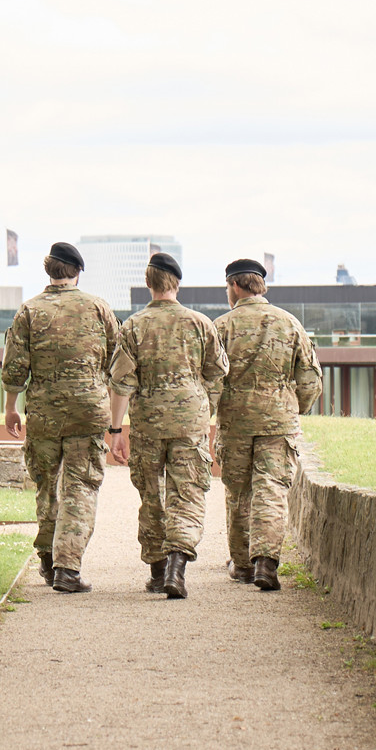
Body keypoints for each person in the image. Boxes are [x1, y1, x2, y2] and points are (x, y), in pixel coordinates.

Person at [108, 252, 227, 599]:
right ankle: (178, 565)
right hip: (190, 420)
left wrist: (116, 431)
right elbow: (217, 372)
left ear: (148, 284)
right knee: (187, 494)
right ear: (176, 283)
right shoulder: (201, 324)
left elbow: (121, 383)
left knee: (152, 494)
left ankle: (158, 571)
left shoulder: (133, 326)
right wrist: (206, 409)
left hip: (148, 423)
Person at [2, 242, 119, 593]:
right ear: (77, 272)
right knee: (80, 487)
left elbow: (14, 367)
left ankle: (47, 560)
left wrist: (10, 408)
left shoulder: (29, 311)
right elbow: (118, 359)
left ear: (48, 270)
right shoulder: (98, 308)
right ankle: (68, 567)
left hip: (44, 413)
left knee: (47, 486)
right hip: (89, 410)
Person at [213, 257, 322, 591]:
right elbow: (311, 379)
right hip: (278, 422)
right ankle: (266, 562)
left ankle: (243, 565)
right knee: (271, 488)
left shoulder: (221, 327)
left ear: (234, 286)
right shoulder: (289, 324)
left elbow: (211, 379)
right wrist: (293, 408)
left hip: (236, 423)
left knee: (239, 491)